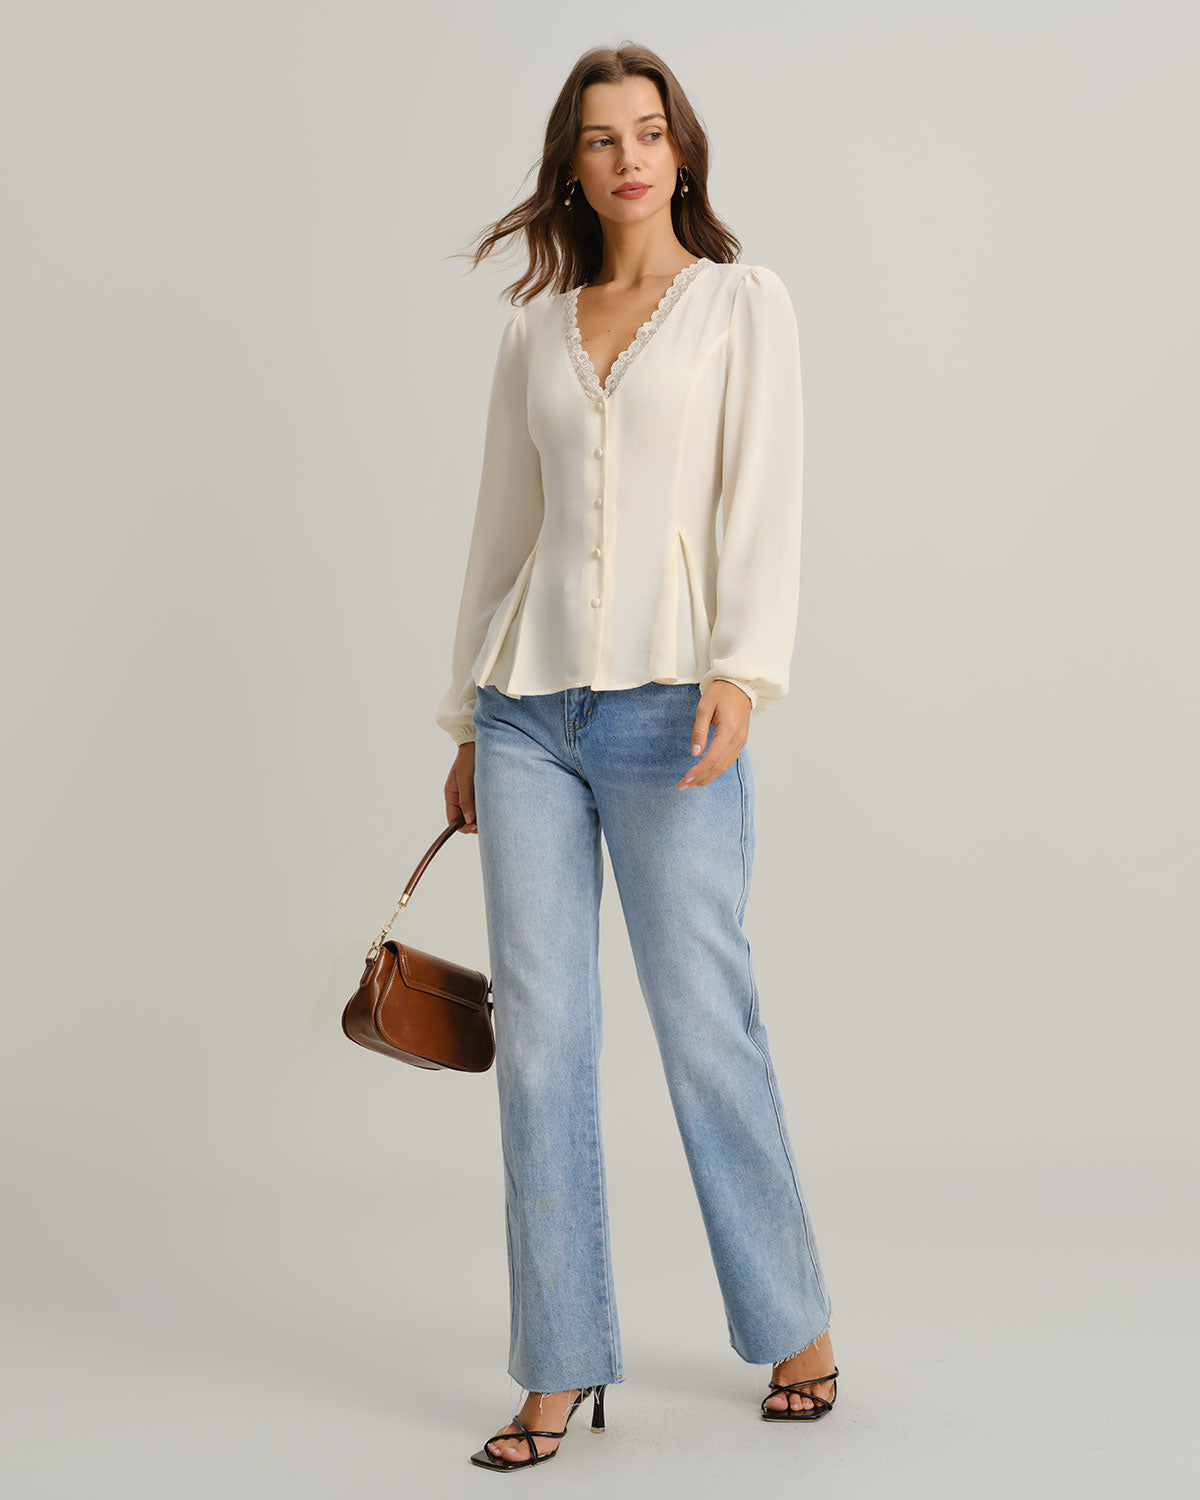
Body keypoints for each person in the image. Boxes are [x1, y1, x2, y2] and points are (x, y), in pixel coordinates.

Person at [433, 44, 840, 1474]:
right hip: (526, 713)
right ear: (573, 163)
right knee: (542, 1039)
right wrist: (462, 719)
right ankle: (557, 1365)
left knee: (704, 1019)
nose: (628, 159)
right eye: (602, 138)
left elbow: (765, 496)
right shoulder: (533, 329)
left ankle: (793, 1322)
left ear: (681, 150)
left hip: (677, 708)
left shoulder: (740, 302)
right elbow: (501, 528)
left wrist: (744, 669)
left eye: (650, 132)